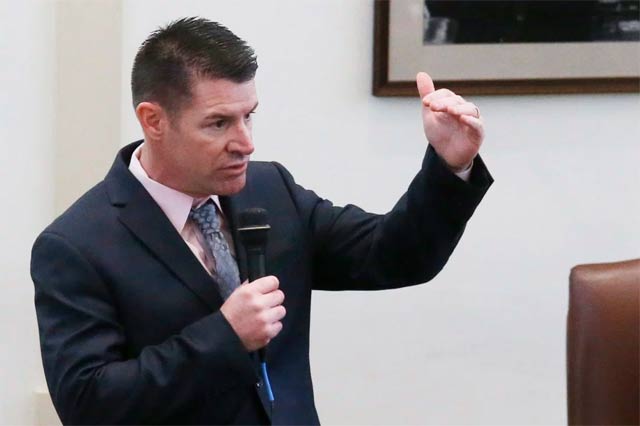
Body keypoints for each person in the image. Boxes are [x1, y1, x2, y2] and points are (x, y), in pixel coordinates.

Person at [31, 17, 493, 425]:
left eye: (249, 117)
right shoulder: (78, 244)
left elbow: (392, 257)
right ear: (153, 121)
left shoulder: (271, 191)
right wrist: (224, 337)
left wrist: (449, 166)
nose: (245, 143)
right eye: (219, 124)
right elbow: (88, 404)